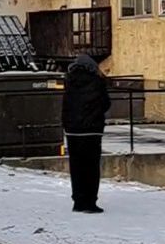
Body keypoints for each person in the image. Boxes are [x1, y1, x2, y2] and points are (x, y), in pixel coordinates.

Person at [61, 53, 112, 214]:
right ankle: (90, 202)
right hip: (91, 131)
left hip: (73, 131)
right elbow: (106, 103)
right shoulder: (97, 81)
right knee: (91, 167)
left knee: (76, 167)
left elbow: (66, 105)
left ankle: (78, 201)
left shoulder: (69, 81)